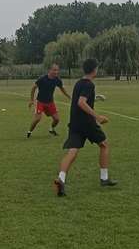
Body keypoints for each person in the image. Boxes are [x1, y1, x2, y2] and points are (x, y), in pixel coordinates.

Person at [53, 58, 117, 196]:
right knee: (104, 145)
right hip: (87, 123)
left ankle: (61, 179)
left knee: (72, 151)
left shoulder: (79, 83)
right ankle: (104, 178)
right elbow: (81, 102)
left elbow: (80, 99)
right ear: (95, 69)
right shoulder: (89, 85)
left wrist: (95, 98)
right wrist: (97, 117)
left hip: (75, 123)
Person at [27, 63, 71, 138]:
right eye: (54, 70)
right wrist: (31, 100)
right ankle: (29, 132)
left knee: (56, 119)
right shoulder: (42, 79)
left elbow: (62, 89)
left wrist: (69, 96)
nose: (56, 72)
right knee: (37, 119)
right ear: (50, 70)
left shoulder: (57, 80)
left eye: (57, 70)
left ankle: (51, 129)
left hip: (50, 102)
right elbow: (34, 88)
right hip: (40, 102)